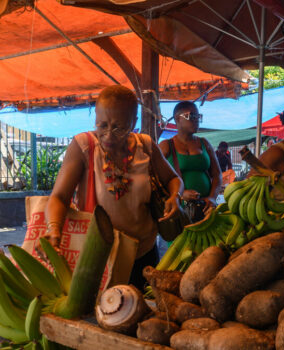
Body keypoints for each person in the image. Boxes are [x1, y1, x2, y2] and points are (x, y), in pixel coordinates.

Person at [38, 85, 183, 290]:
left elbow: (173, 178)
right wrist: (54, 230)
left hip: (143, 253)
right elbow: (59, 197)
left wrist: (174, 196)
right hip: (98, 257)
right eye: (102, 125)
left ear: (133, 122)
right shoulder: (84, 146)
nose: (108, 135)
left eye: (118, 127)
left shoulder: (146, 146)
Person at [159, 101, 222, 223]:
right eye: (191, 116)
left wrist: (212, 198)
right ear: (177, 119)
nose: (196, 120)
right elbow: (157, 180)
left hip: (205, 208)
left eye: (198, 116)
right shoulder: (166, 146)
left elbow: (217, 174)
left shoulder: (204, 143)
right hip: (179, 209)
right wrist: (180, 195)